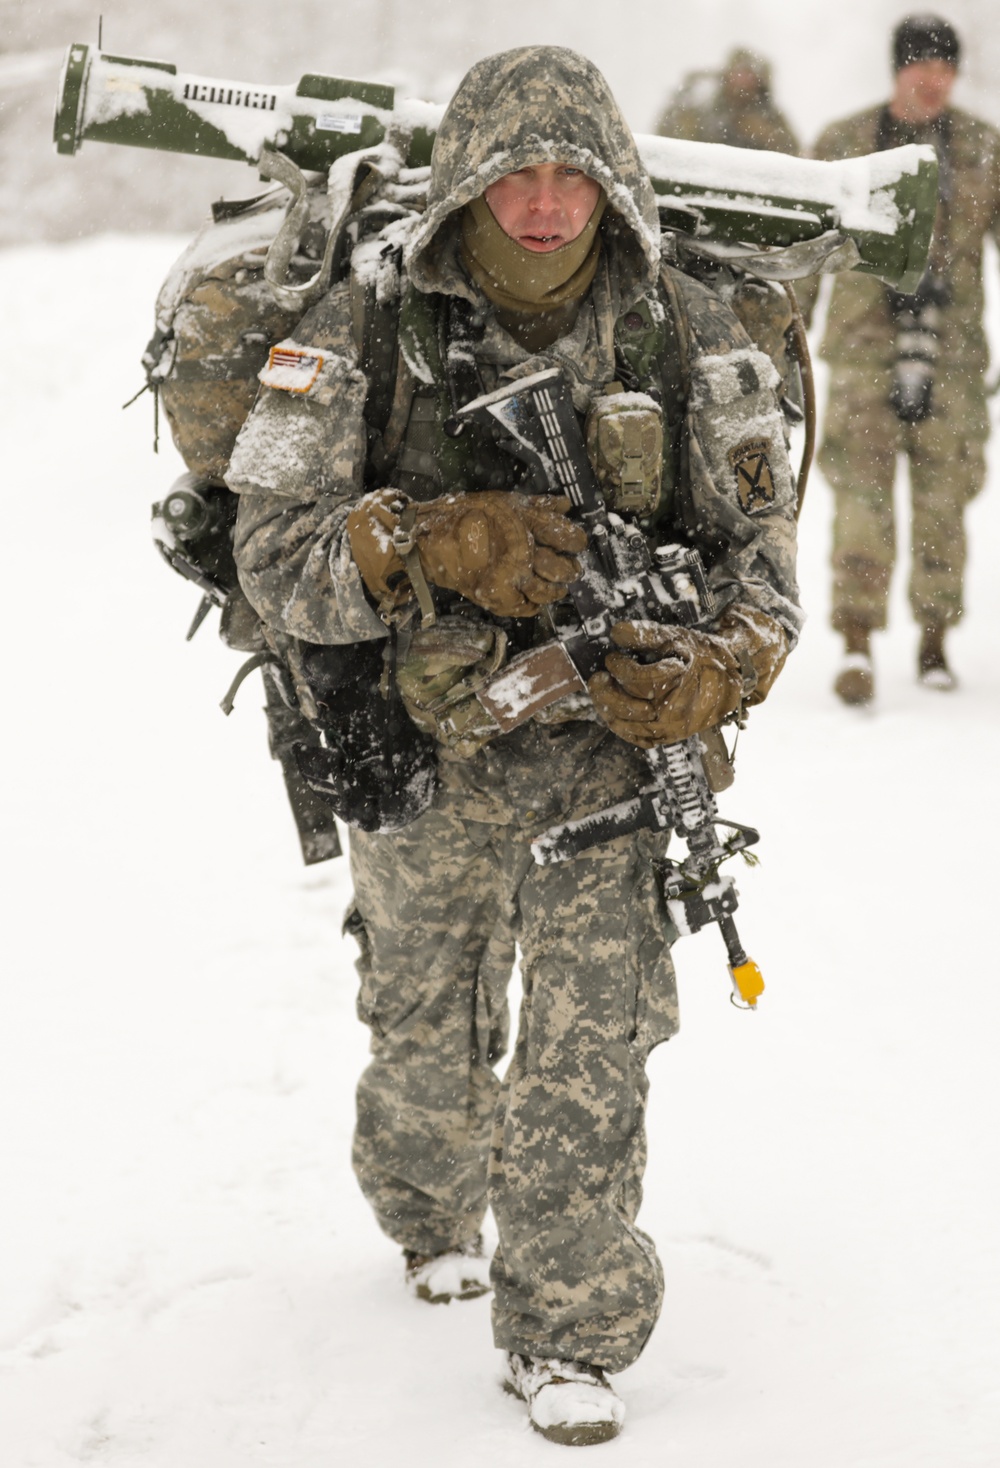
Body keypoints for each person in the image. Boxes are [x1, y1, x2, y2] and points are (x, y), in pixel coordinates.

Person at [226, 46, 801, 1445]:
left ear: (614, 183)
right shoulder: (366, 328)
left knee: (589, 1049)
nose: (544, 207)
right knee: (427, 1021)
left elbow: (762, 569)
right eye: (513, 176)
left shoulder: (683, 330)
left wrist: (722, 663)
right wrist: (419, 544)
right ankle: (428, 1210)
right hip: (416, 750)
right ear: (465, 183)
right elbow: (269, 556)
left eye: (572, 177)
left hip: (601, 760)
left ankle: (569, 1330)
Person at [807, 15, 999, 703]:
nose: (933, 79)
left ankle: (934, 642)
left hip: (953, 354)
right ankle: (856, 642)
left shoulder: (983, 146)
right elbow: (805, 253)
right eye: (921, 65)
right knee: (861, 501)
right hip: (864, 352)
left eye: (944, 67)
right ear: (897, 69)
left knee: (944, 501)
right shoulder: (844, 144)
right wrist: (782, 343)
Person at [655, 47, 799, 154]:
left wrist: (766, 135)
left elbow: (794, 154)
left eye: (749, 76)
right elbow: (666, 140)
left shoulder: (770, 116)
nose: (743, 82)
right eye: (738, 74)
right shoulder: (704, 106)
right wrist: (688, 126)